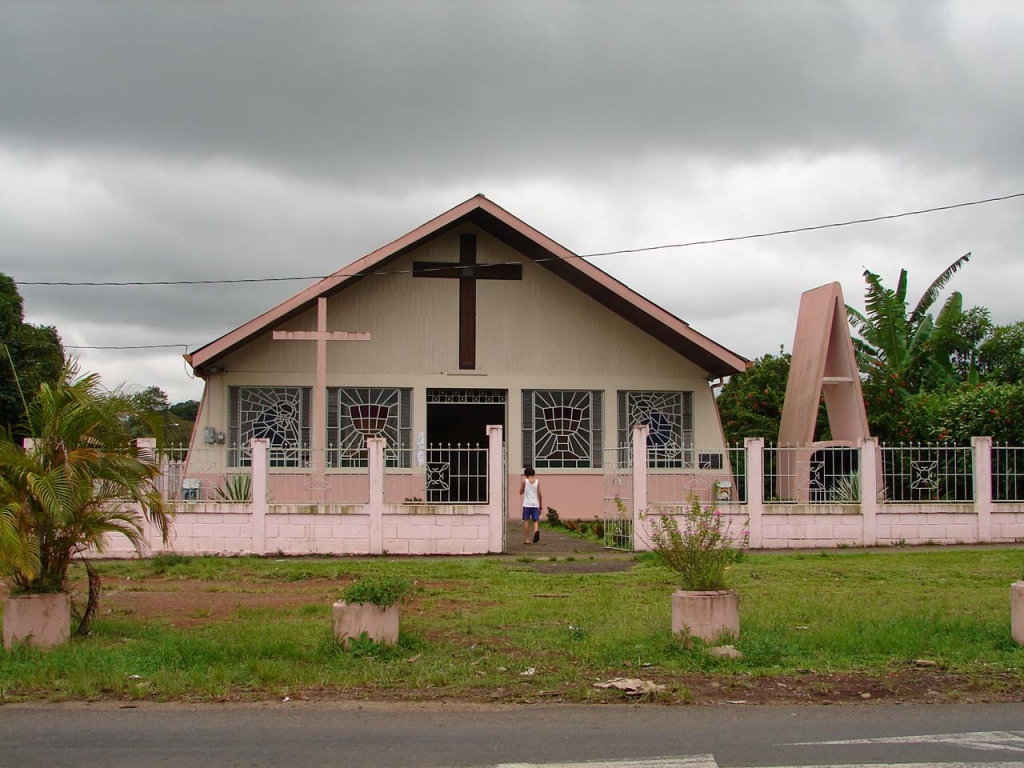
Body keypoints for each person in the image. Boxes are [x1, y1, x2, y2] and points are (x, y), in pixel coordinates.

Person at [519, 466, 543, 544]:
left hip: (527, 504)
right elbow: (539, 494)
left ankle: (527, 539)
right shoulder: (537, 482)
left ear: (526, 474)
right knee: (535, 520)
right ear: (533, 473)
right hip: (535, 504)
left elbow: (520, 492)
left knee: (526, 520)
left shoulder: (524, 481)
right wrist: (541, 505)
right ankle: (536, 531)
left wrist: (523, 488)